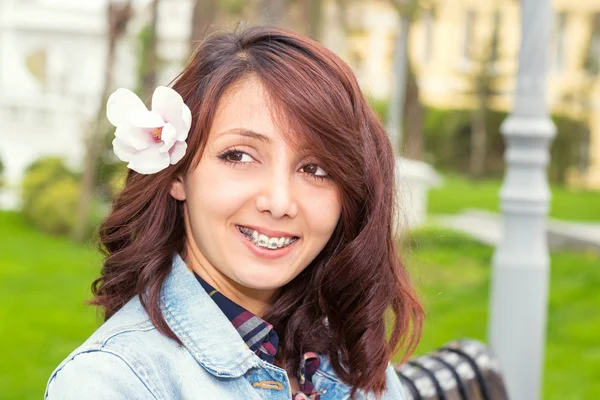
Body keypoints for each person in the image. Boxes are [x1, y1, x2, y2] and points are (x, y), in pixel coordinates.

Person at [45, 26, 423, 399]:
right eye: (239, 156)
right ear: (177, 174)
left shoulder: (351, 361)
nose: (279, 202)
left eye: (316, 169)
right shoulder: (110, 383)